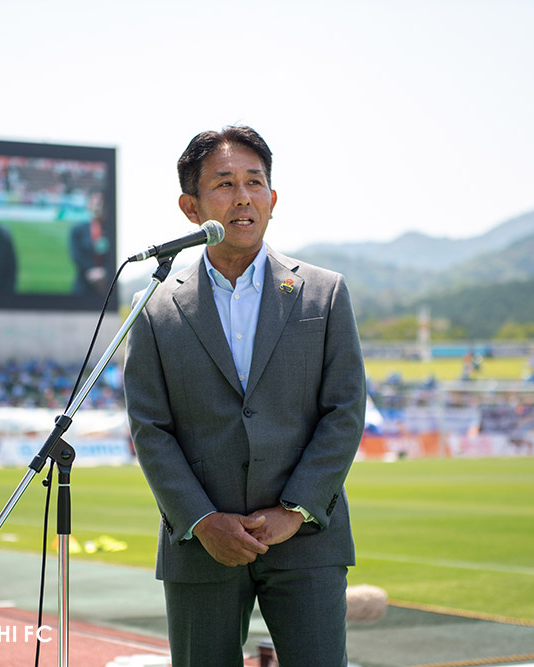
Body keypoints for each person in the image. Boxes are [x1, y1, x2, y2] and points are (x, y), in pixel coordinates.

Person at [123, 126, 366, 666]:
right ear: (191, 207)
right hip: (201, 544)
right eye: (224, 184)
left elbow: (345, 411)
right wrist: (202, 521)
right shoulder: (155, 307)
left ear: (273, 200)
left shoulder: (324, 292)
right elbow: (150, 428)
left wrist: (294, 511)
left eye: (255, 183)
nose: (243, 198)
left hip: (307, 540)